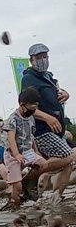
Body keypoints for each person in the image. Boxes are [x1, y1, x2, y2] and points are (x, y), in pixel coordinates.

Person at [20, 43, 75, 201]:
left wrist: (66, 94)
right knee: (68, 157)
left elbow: (58, 92)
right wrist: (47, 117)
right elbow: (26, 106)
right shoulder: (28, 79)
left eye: (45, 56)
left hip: (56, 130)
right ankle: (32, 176)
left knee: (68, 164)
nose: (43, 60)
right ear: (31, 60)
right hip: (41, 129)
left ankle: (55, 199)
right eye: (39, 57)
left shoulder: (48, 77)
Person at [3, 87, 61, 208]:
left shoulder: (31, 118)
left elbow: (31, 137)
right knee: (17, 187)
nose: (33, 110)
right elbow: (11, 138)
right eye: (31, 107)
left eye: (35, 107)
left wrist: (36, 151)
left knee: (43, 164)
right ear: (22, 104)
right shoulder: (13, 119)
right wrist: (17, 154)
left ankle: (28, 182)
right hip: (13, 155)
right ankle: (15, 207)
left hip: (28, 151)